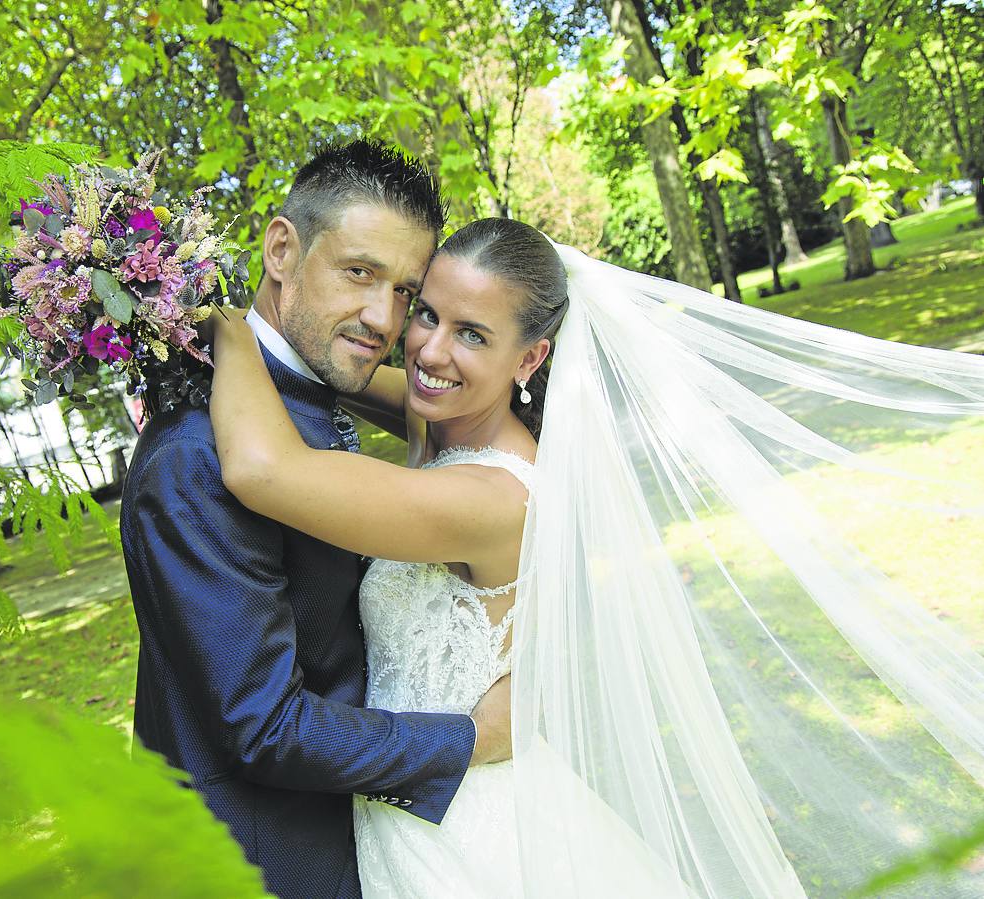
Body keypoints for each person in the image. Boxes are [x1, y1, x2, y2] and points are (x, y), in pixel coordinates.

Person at [209, 216, 984, 898]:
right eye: (428, 314)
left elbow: (261, 469)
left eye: (472, 334)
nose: (428, 350)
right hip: (444, 796)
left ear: (530, 357)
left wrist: (221, 320)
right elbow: (380, 385)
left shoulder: (490, 498)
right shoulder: (452, 425)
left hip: (458, 830)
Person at [119, 141, 512, 899]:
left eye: (405, 292)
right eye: (359, 273)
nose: (382, 318)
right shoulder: (196, 456)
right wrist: (476, 738)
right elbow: (263, 725)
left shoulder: (300, 391)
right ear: (280, 249)